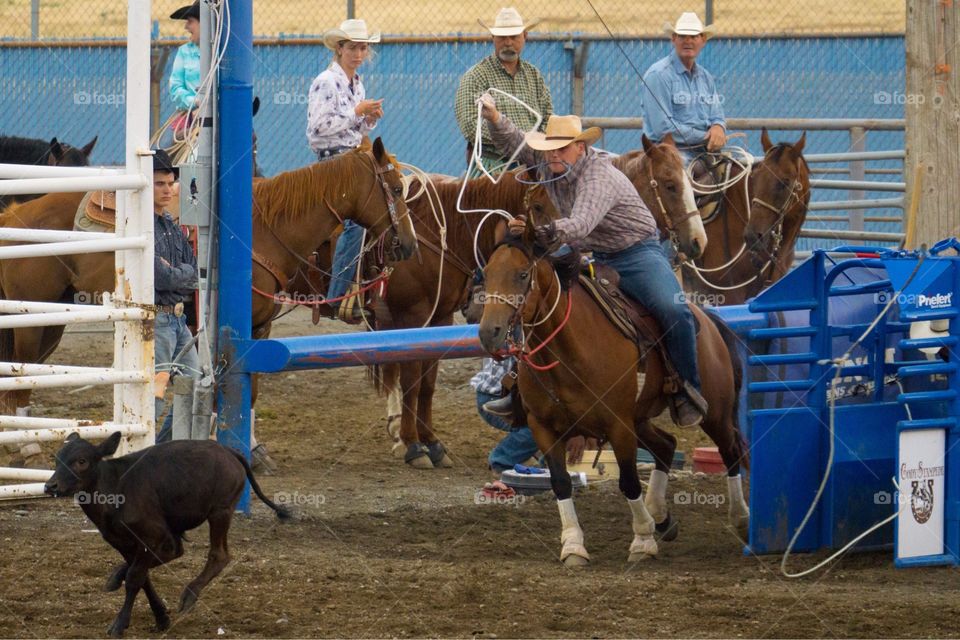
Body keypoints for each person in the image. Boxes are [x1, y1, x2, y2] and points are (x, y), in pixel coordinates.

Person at [478, 99, 708, 428]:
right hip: (592, 252)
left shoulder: (599, 176)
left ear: (581, 147)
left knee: (673, 310)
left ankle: (688, 388)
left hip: (636, 253)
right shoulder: (551, 163)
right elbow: (516, 143)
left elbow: (582, 223)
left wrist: (537, 232)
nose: (554, 154)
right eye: (550, 148)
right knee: (533, 293)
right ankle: (519, 389)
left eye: (562, 148)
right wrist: (495, 117)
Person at [306, 18, 383, 324]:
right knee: (357, 222)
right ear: (339, 49)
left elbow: (355, 128)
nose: (359, 53)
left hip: (353, 159)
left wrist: (369, 117)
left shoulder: (356, 82)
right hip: (333, 163)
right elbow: (318, 128)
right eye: (352, 47)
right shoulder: (326, 81)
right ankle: (337, 295)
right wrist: (357, 111)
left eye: (363, 47)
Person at [454, 7, 552, 176]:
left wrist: (533, 144)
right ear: (493, 38)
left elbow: (547, 116)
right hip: (492, 166)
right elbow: (471, 126)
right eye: (502, 37)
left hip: (533, 163)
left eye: (514, 37)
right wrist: (513, 141)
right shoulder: (476, 76)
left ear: (525, 37)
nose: (508, 43)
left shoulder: (533, 75)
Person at [151, 149, 200, 443]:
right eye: (160, 184)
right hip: (158, 318)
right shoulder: (147, 225)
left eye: (170, 183)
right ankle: (146, 448)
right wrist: (178, 274)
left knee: (194, 383)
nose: (168, 189)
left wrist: (176, 273)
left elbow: (192, 271)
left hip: (176, 319)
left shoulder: (169, 225)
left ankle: (160, 447)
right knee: (157, 388)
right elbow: (162, 276)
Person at [641, 12, 726, 166]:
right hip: (668, 153)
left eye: (694, 37)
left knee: (741, 172)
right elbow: (663, 128)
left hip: (703, 152)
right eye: (682, 36)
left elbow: (717, 114)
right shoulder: (658, 75)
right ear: (674, 39)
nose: (688, 41)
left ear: (703, 40)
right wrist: (706, 136)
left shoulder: (705, 77)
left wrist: (718, 127)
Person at [168, 1, 201, 132]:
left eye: (190, 21)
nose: (186, 27)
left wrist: (209, 107)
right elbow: (175, 88)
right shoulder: (184, 51)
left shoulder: (223, 51)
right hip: (190, 120)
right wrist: (196, 102)